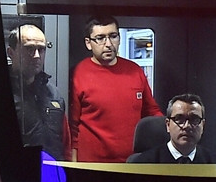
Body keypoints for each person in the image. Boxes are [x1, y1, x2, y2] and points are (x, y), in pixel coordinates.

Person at [68, 15, 163, 162]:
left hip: (132, 163)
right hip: (92, 165)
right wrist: (73, 167)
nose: (108, 44)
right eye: (100, 38)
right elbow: (72, 128)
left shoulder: (134, 71)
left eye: (113, 36)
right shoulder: (78, 73)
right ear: (88, 43)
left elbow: (152, 112)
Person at [7, 24, 68, 159]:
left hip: (52, 169)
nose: (36, 56)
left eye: (41, 49)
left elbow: (65, 142)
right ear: (11, 53)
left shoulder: (53, 94)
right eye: (29, 49)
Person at [127, 94, 214, 163]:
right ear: (168, 125)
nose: (187, 126)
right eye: (179, 119)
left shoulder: (215, 164)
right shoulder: (142, 164)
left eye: (194, 120)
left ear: (203, 125)